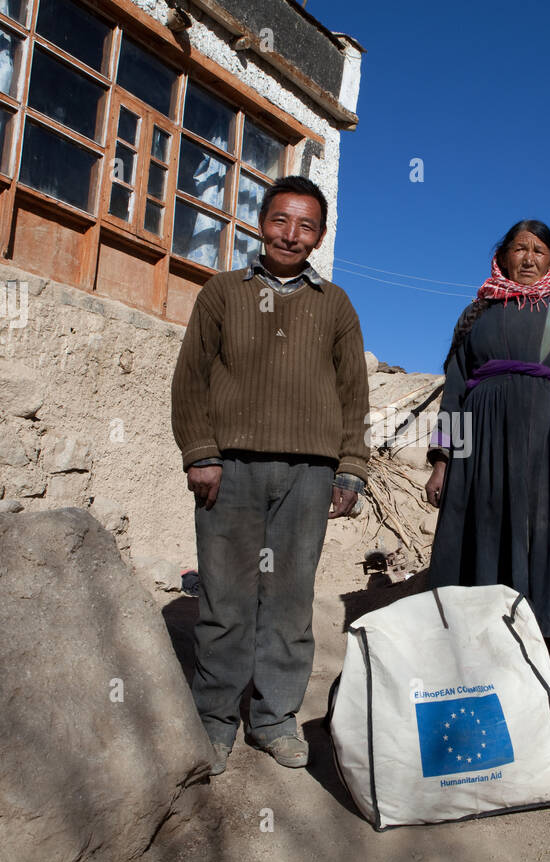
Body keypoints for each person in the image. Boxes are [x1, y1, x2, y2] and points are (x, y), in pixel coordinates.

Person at [171, 175, 370, 775]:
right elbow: (191, 380)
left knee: (288, 600)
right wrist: (200, 452)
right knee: (225, 596)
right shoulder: (222, 292)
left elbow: (352, 392)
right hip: (230, 468)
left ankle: (275, 718)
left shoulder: (334, 305)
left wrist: (350, 468)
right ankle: (213, 716)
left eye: (306, 226)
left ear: (319, 237)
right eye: (282, 220)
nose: (292, 234)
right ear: (262, 223)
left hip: (308, 476)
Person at [425, 220, 550, 676]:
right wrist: (443, 460)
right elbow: (455, 390)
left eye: (539, 251)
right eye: (519, 249)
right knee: (485, 525)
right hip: (483, 441)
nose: (528, 259)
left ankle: (544, 636)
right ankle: (477, 634)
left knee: (548, 530)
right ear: (502, 256)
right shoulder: (477, 313)